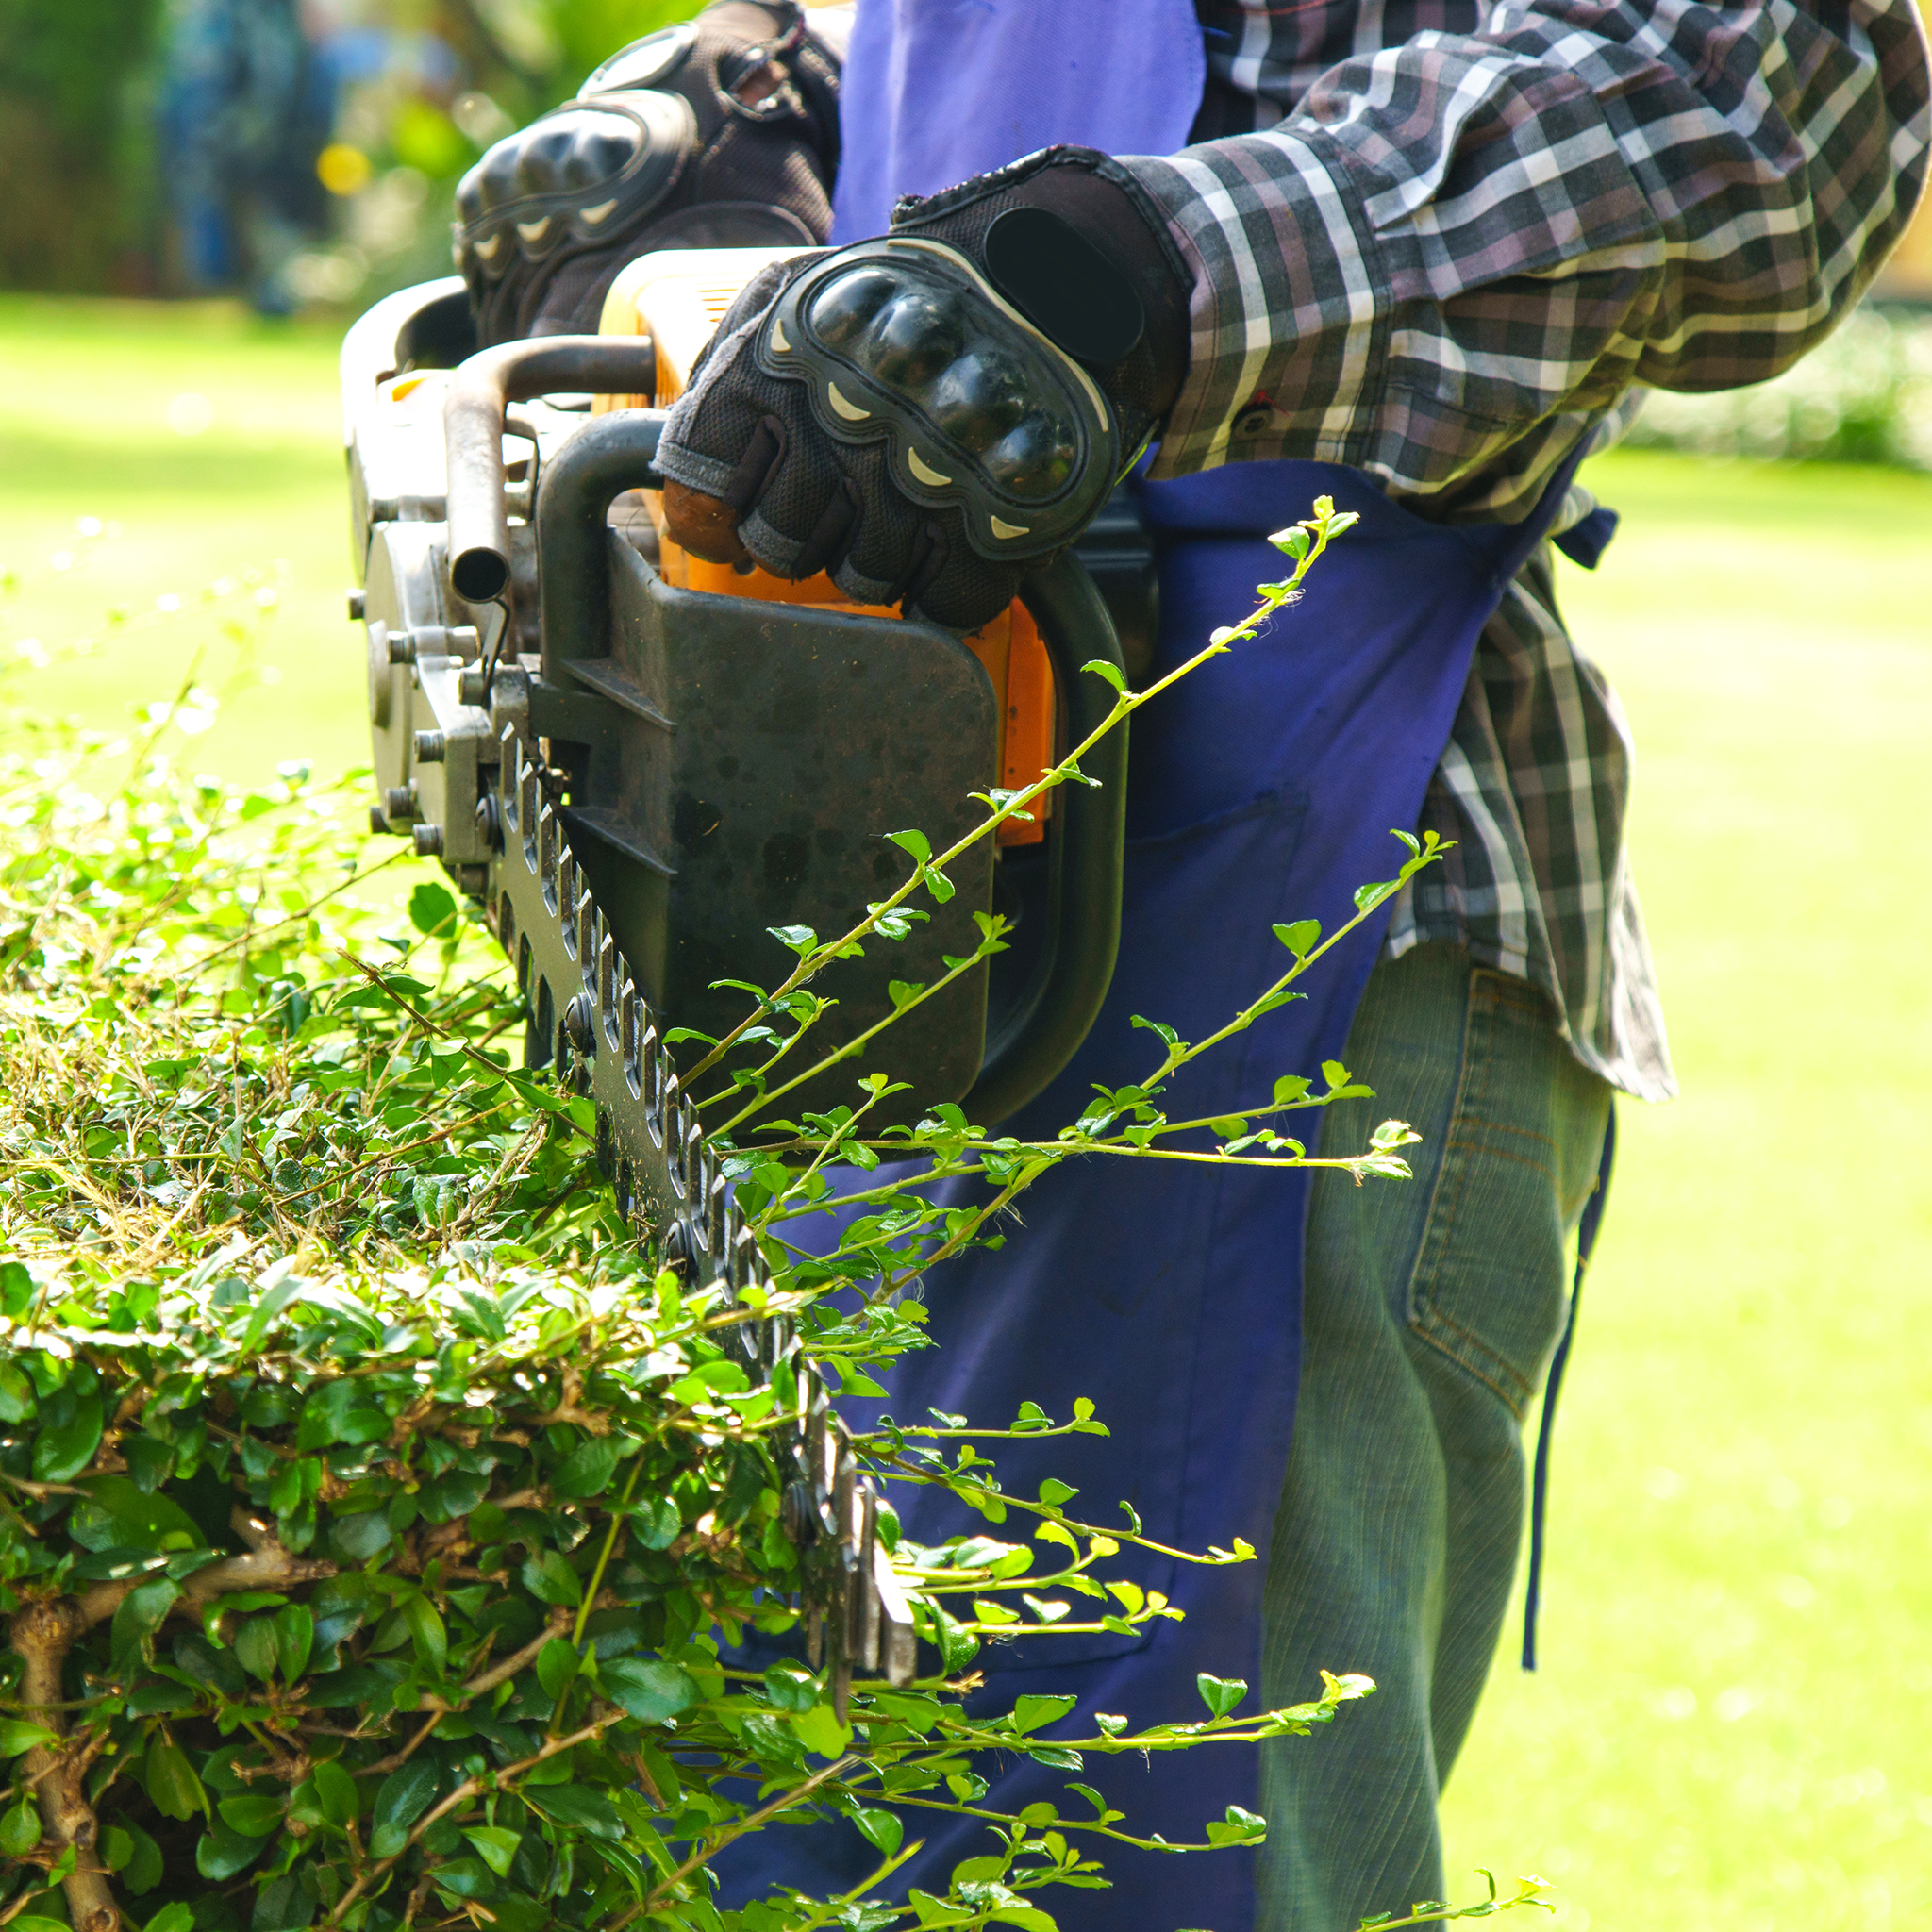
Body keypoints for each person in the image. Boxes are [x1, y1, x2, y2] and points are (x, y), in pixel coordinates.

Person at [452, 5, 1930, 1927]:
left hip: (1311, 914)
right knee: (780, 1843)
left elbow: (1755, 100)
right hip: (875, 851)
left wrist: (1130, 276)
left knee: (1146, 1853)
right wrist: (746, 112)